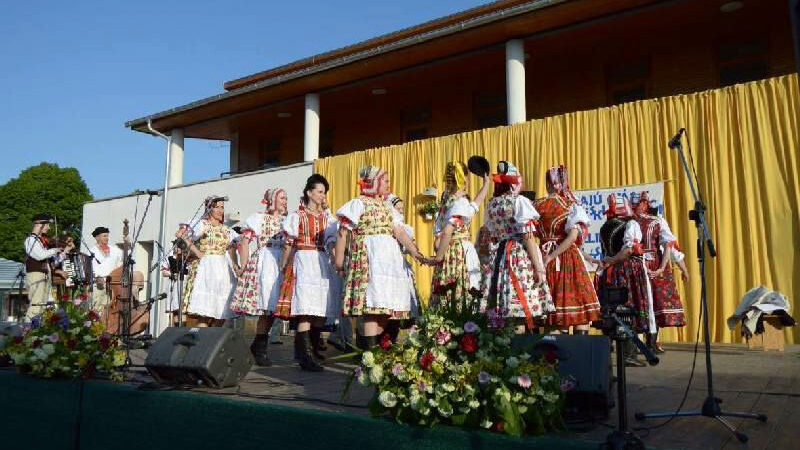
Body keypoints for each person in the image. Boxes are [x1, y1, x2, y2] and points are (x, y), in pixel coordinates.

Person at [335, 167, 424, 351]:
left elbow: (398, 231)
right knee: (371, 310)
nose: (388, 184)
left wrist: (415, 252)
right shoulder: (358, 203)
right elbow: (343, 232)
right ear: (374, 182)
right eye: (385, 181)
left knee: (384, 310)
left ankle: (378, 353)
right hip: (369, 258)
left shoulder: (388, 206)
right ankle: (370, 355)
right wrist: (339, 260)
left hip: (389, 262)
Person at [482, 161, 553, 331]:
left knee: (503, 310)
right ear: (513, 183)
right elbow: (528, 237)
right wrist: (539, 268)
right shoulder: (519, 201)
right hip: (517, 256)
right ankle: (519, 351)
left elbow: (490, 235)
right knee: (518, 312)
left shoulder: (491, 205)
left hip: (499, 257)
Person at [278, 174, 340, 372]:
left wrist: (336, 261)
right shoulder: (297, 216)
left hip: (322, 261)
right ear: (309, 193)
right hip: (304, 258)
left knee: (320, 309)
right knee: (305, 308)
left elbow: (333, 242)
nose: (323, 196)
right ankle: (304, 354)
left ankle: (313, 351)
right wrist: (284, 266)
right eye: (320, 192)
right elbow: (288, 245)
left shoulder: (327, 219)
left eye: (324, 192)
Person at [533, 166, 600, 334]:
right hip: (566, 259)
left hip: (544, 256)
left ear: (548, 183)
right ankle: (578, 354)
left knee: (553, 309)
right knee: (579, 310)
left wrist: (548, 256)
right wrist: (553, 255)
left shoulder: (536, 205)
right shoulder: (570, 205)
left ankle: (553, 356)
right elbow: (571, 238)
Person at [229, 188, 289, 366]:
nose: (285, 201)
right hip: (265, 261)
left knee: (273, 309)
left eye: (286, 198)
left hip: (281, 262)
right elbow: (244, 242)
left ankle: (258, 345)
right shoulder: (258, 218)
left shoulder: (287, 221)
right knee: (265, 307)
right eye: (282, 198)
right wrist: (245, 265)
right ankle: (259, 347)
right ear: (272, 200)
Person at [596, 194, 653, 366]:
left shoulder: (605, 226)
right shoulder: (631, 224)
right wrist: (613, 260)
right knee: (629, 307)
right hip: (627, 270)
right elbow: (628, 250)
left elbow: (607, 251)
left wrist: (609, 262)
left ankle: (607, 352)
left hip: (611, 272)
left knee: (613, 308)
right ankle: (628, 354)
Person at [430, 161, 490, 308]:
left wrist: (486, 184)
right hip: (457, 252)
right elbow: (448, 231)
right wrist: (439, 257)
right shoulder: (459, 202)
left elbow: (475, 205)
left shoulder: (448, 200)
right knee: (460, 290)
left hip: (449, 251)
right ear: (463, 178)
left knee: (450, 290)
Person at [632, 192, 686, 353]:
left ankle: (651, 342)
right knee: (641, 301)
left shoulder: (656, 221)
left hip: (650, 264)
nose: (638, 207)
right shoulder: (631, 222)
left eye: (640, 203)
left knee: (653, 302)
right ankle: (642, 344)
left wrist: (665, 268)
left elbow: (671, 246)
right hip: (640, 264)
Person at [176, 196, 238, 327]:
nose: (221, 210)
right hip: (207, 268)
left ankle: (212, 340)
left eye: (222, 207)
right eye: (217, 207)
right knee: (205, 313)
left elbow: (232, 247)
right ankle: (202, 342)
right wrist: (197, 252)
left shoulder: (226, 229)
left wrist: (235, 264)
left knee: (222, 312)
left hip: (223, 270)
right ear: (209, 208)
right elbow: (181, 234)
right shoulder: (202, 225)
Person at [383, 193, 421, 341]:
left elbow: (408, 247)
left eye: (402, 209)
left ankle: (393, 340)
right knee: (389, 306)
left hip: (400, 266)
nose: (400, 211)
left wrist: (415, 251)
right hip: (388, 267)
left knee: (402, 306)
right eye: (397, 208)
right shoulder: (388, 224)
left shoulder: (404, 228)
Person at [23, 214, 74, 320]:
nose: (49, 228)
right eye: (47, 225)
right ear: (39, 224)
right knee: (36, 304)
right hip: (36, 275)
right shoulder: (30, 240)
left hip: (46, 275)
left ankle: (38, 331)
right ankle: (28, 330)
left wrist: (65, 250)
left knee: (43, 305)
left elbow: (53, 263)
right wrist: (54, 250)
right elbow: (39, 255)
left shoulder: (43, 242)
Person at [88, 226, 124, 317]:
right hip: (97, 284)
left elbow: (120, 265)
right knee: (96, 308)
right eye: (104, 236)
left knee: (108, 308)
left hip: (111, 285)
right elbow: (89, 268)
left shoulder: (115, 251)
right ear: (97, 237)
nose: (107, 238)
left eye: (107, 236)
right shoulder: (91, 252)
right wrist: (97, 277)